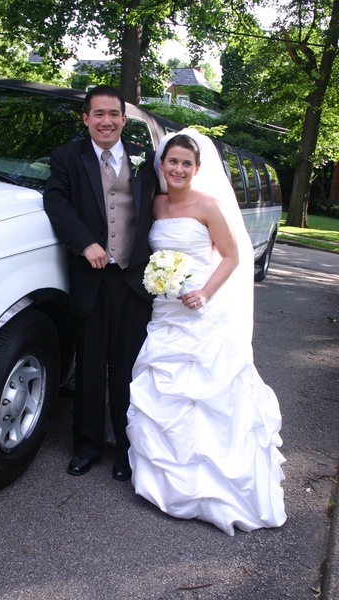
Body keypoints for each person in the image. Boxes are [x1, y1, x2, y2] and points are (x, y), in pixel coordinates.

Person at [126, 129, 287, 535]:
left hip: (200, 310)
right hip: (165, 311)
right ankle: (161, 481)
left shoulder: (209, 205)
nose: (178, 169)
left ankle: (211, 490)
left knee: (205, 395)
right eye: (172, 161)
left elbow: (233, 256)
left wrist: (204, 293)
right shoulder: (156, 204)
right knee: (162, 387)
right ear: (162, 165)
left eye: (186, 163)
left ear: (197, 169)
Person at [43, 85, 157, 481]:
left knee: (127, 369)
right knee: (90, 367)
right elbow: (56, 202)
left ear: (124, 119)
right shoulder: (66, 157)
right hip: (91, 277)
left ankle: (126, 450)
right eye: (98, 114)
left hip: (133, 280)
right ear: (86, 119)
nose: (106, 121)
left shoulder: (146, 161)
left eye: (113, 114)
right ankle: (87, 447)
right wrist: (84, 242)